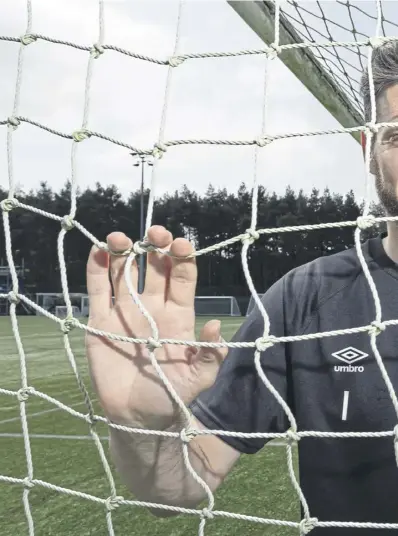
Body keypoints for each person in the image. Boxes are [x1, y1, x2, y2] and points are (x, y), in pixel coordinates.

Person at [85, 41, 398, 535]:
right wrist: (143, 427)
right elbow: (179, 492)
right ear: (369, 150)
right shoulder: (308, 298)